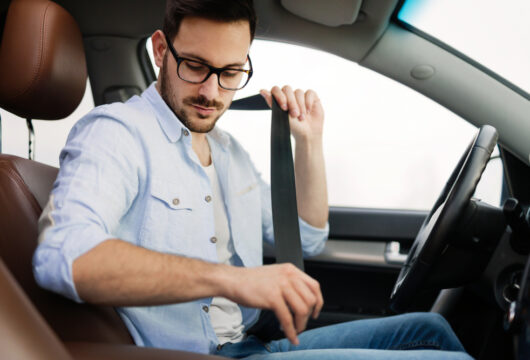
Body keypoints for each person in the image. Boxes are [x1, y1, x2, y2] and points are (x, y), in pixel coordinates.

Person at [33, 0, 473, 359]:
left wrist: (308, 142)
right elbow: (63, 256)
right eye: (195, 65)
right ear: (161, 51)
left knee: (431, 328)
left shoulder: (228, 151)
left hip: (256, 343)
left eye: (229, 73)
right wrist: (230, 279)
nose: (211, 91)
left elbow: (308, 238)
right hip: (201, 353)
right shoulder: (116, 133)